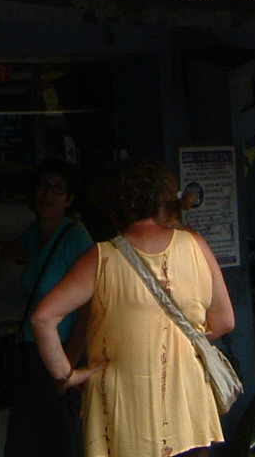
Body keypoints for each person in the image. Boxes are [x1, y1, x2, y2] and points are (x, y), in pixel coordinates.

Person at [31, 158, 234, 457]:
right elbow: (225, 321)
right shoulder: (196, 245)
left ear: (113, 207)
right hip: (188, 408)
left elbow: (42, 318)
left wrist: (66, 376)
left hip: (123, 415)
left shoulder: (100, 258)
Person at [0, 159, 93, 457]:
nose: (47, 194)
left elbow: (88, 312)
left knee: (64, 443)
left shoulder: (76, 241)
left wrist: (67, 368)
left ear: (70, 199)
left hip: (61, 353)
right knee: (23, 441)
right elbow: (4, 251)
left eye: (58, 189)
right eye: (42, 186)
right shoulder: (36, 233)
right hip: (30, 354)